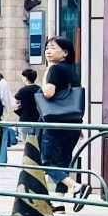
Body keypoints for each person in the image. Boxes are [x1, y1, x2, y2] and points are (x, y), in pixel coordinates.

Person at [38, 36, 83, 193]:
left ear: (65, 52)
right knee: (63, 162)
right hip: (72, 123)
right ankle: (59, 202)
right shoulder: (73, 69)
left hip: (54, 122)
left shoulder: (56, 69)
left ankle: (75, 186)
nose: (48, 51)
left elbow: (48, 93)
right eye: (47, 48)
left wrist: (46, 75)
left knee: (47, 162)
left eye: (52, 47)